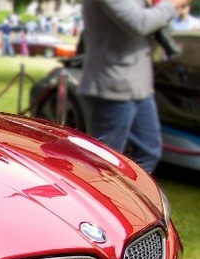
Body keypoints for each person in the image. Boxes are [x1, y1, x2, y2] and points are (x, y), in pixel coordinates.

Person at [78, 0, 186, 174]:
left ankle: (126, 198)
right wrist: (172, 4)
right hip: (113, 85)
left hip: (139, 85)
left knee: (149, 151)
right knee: (105, 161)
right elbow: (139, 23)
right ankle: (103, 197)